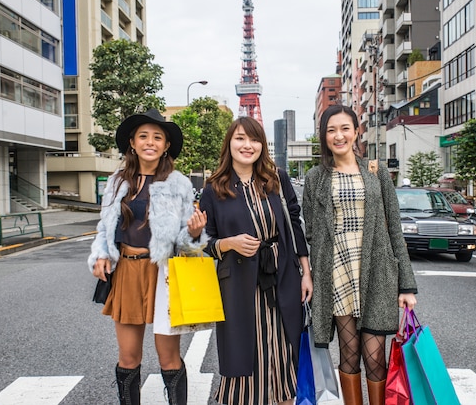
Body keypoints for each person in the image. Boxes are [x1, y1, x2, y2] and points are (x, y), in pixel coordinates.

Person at [88, 108, 208, 405]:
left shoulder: (179, 183)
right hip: (127, 271)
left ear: (166, 145)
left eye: (158, 137)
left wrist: (194, 234)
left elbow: (186, 242)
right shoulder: (117, 181)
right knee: (128, 356)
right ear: (132, 142)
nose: (150, 142)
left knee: (169, 357)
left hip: (165, 274)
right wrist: (102, 254)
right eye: (143, 136)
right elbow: (105, 226)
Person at [302, 105, 417, 405]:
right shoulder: (316, 177)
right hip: (337, 274)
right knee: (349, 354)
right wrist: (312, 273)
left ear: (355, 132)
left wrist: (406, 285)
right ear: (324, 136)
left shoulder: (376, 173)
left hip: (377, 273)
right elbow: (312, 231)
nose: (338, 136)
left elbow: (395, 231)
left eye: (344, 128)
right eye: (331, 130)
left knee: (375, 356)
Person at [199, 117, 313, 405]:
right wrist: (229, 243)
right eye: (240, 138)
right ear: (229, 143)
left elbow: (294, 223)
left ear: (262, 145)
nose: (247, 145)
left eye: (254, 139)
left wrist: (306, 272)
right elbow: (203, 241)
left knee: (285, 345)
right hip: (238, 281)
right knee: (244, 349)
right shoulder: (214, 188)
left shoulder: (277, 178)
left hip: (281, 274)